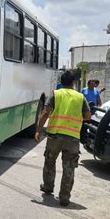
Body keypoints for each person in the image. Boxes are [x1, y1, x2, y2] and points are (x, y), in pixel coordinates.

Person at [35, 71, 91, 206]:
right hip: (72, 138)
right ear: (74, 83)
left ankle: (48, 187)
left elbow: (45, 113)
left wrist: (38, 130)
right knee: (69, 167)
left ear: (61, 81)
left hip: (55, 136)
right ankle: (64, 197)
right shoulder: (80, 97)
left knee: (50, 162)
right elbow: (88, 116)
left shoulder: (56, 94)